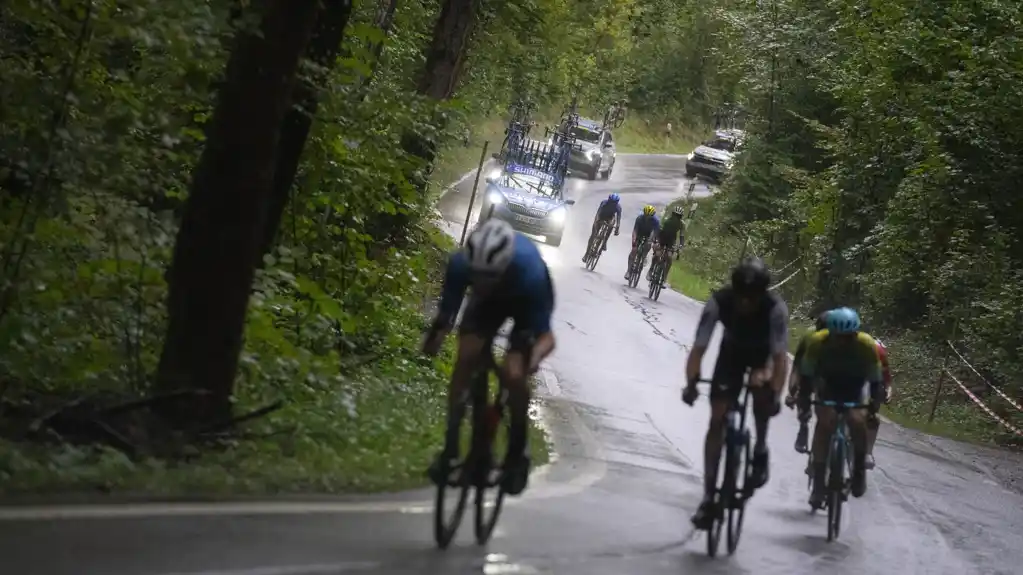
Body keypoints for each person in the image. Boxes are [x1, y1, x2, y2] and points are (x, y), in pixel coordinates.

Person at [422, 219, 557, 496]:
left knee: (514, 372)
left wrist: (530, 362)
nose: (481, 284)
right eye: (477, 277)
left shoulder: (530, 273)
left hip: (523, 303)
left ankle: (517, 452)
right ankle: (449, 450)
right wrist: (432, 343)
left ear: (503, 267)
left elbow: (547, 338)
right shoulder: (461, 264)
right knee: (466, 357)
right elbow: (445, 318)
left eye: (488, 278)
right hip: (487, 307)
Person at [681, 257, 789, 530]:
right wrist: (692, 382)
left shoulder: (775, 309)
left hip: (762, 356)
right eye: (742, 296)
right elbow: (699, 348)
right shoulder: (719, 301)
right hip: (731, 356)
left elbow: (780, 360)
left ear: (762, 294)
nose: (745, 303)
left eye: (752, 297)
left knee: (761, 393)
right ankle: (708, 496)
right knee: (716, 419)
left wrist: (775, 392)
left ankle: (761, 448)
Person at [798, 307, 883, 507]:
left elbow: (875, 380)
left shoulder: (866, 345)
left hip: (855, 384)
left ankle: (859, 470)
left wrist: (873, 406)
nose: (843, 342)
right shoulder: (817, 342)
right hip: (829, 383)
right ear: (830, 334)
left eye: (848, 337)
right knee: (825, 424)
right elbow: (807, 376)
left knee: (857, 420)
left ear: (855, 334)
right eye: (838, 337)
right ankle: (819, 484)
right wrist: (804, 400)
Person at [786, 311, 832, 454]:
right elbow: (797, 368)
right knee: (805, 390)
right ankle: (804, 425)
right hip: (812, 368)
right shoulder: (809, 337)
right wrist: (792, 392)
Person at [865, 337, 893, 469]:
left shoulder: (880, 353)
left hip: (872, 384)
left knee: (872, 416)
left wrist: (888, 389)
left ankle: (868, 452)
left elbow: (886, 376)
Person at [648, 205, 685, 285]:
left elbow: (682, 236)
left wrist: (681, 246)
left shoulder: (682, 224)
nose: (676, 217)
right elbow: (658, 230)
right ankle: (651, 270)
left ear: (680, 217)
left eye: (678, 216)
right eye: (675, 215)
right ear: (672, 214)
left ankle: (664, 277)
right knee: (657, 254)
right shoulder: (666, 220)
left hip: (671, 240)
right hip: (662, 237)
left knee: (669, 257)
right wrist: (656, 240)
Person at [625, 205, 660, 280]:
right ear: (644, 213)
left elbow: (654, 232)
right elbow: (635, 230)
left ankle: (644, 257)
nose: (647, 217)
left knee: (648, 244)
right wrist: (634, 241)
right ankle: (628, 271)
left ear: (652, 216)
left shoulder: (656, 221)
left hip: (649, 234)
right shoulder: (639, 218)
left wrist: (650, 240)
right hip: (639, 233)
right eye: (646, 215)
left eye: (649, 216)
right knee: (634, 250)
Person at [584, 193, 621, 262]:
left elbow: (618, 219)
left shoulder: (618, 207)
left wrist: (617, 228)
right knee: (593, 236)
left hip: (609, 218)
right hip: (601, 217)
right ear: (608, 200)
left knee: (612, 223)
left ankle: (605, 241)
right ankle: (586, 254)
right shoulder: (604, 203)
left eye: (614, 203)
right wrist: (596, 222)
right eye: (611, 202)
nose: (612, 204)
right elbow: (598, 213)